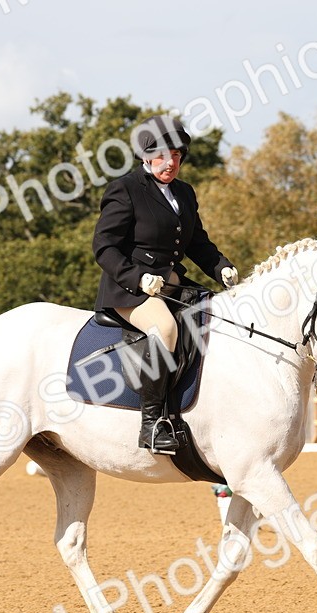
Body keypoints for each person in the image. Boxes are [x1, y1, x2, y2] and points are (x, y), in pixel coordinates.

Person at [93, 115, 237, 454]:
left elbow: (197, 242)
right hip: (129, 290)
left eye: (176, 155)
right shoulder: (125, 188)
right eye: (161, 155)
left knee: (218, 320)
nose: (170, 162)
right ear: (145, 156)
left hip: (173, 285)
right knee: (167, 329)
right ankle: (153, 424)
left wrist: (222, 267)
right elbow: (104, 246)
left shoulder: (184, 193)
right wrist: (137, 278)